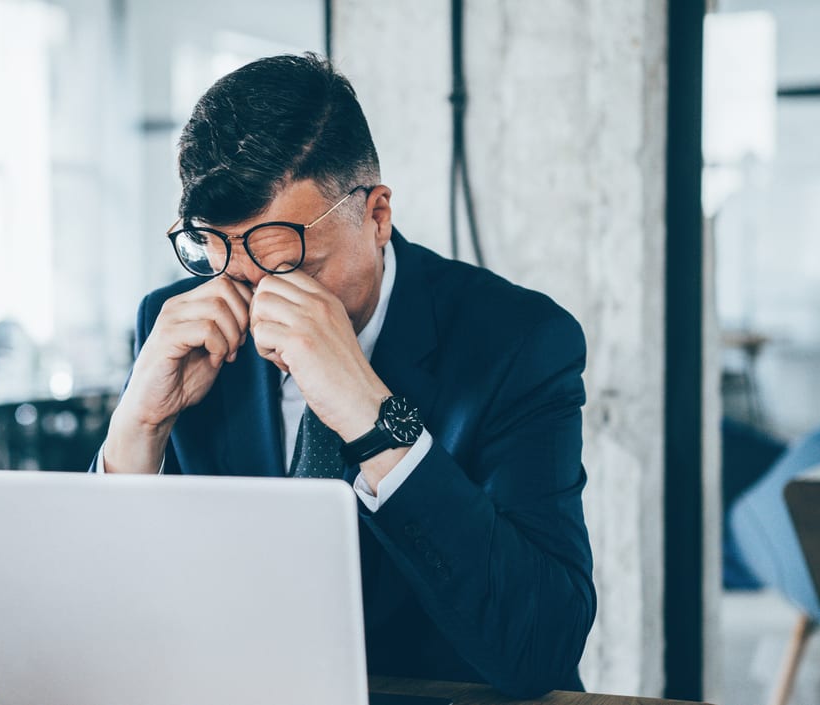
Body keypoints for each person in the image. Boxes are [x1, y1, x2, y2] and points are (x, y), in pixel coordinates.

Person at [97, 53, 594, 698]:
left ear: (377, 216)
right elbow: (110, 624)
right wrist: (138, 430)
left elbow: (539, 646)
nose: (262, 304)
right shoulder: (179, 327)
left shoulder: (518, 341)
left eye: (293, 269)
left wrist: (371, 417)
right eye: (233, 272)